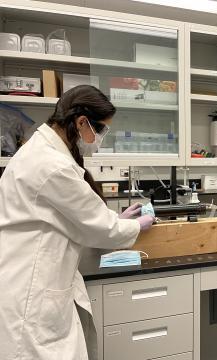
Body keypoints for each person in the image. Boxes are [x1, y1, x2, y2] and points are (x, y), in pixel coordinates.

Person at [0, 85, 155, 360]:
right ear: (81, 122)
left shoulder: (43, 152)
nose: (100, 139)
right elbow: (101, 227)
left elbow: (71, 216)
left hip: (25, 277)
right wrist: (135, 225)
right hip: (30, 292)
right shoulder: (51, 165)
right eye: (102, 130)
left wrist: (115, 220)